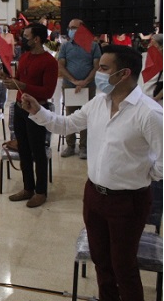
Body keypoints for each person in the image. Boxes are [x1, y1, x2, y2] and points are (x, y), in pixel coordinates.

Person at [19, 45, 162, 300]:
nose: (98, 72)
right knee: (102, 262)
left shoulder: (149, 113)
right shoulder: (98, 102)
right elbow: (66, 125)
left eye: (104, 68)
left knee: (124, 267)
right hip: (94, 195)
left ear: (124, 74)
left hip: (128, 201)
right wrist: (37, 111)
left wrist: (142, 175)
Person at [2, 23, 58, 208]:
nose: (23, 40)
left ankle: (41, 192)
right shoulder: (25, 57)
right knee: (24, 149)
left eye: (26, 36)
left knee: (37, 152)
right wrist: (10, 82)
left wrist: (24, 86)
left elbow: (48, 91)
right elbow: (19, 79)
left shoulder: (50, 62)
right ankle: (28, 188)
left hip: (36, 111)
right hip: (20, 108)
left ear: (37, 39)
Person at [58, 19, 101, 159]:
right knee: (70, 116)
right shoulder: (65, 46)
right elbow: (61, 66)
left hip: (88, 86)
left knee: (86, 116)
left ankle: (84, 147)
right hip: (70, 86)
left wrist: (84, 82)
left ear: (82, 28)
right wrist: (74, 81)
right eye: (69, 27)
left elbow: (96, 66)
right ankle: (70, 145)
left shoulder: (93, 45)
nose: (71, 30)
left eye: (74, 27)